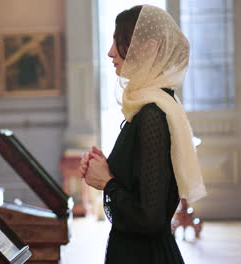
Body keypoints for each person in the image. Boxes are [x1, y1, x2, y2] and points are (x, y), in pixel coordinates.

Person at [79, 5, 207, 264]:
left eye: (118, 41)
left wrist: (107, 182)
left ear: (147, 47)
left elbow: (149, 219)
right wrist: (106, 168)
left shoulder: (152, 114)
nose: (110, 52)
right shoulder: (150, 106)